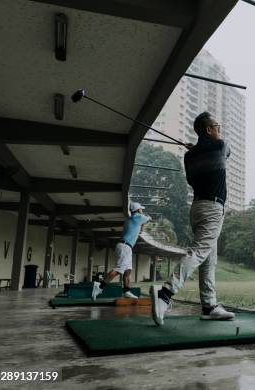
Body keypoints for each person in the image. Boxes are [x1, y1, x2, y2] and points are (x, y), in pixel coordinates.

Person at [150, 112, 235, 325]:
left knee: (209, 259)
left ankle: (209, 305)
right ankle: (166, 293)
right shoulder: (219, 146)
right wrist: (200, 149)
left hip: (197, 208)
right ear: (208, 129)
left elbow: (193, 178)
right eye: (217, 126)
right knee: (199, 252)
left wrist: (195, 150)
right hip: (212, 207)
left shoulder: (189, 157)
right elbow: (228, 152)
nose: (219, 130)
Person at [91, 202, 151, 300]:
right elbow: (149, 218)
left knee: (128, 270)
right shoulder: (138, 218)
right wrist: (147, 217)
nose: (142, 210)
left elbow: (140, 231)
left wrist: (142, 223)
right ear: (138, 210)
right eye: (141, 209)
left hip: (125, 247)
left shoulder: (130, 220)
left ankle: (126, 291)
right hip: (125, 247)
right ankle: (100, 286)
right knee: (119, 269)